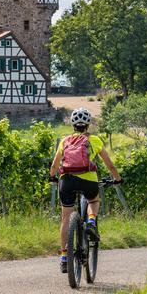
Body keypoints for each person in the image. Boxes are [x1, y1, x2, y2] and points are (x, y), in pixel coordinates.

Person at [49, 108, 121, 274]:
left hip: (66, 181)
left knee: (65, 218)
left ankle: (64, 258)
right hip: (88, 180)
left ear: (73, 124)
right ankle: (90, 222)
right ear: (88, 124)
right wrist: (117, 179)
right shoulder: (94, 140)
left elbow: (54, 165)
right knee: (93, 200)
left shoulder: (64, 141)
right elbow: (110, 165)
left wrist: (52, 177)